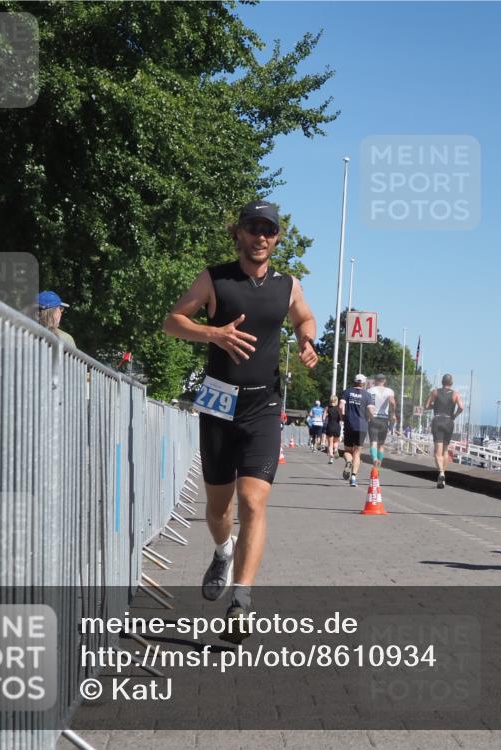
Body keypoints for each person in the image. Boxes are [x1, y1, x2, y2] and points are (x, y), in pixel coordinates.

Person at [162, 199, 318, 642]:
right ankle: (222, 549)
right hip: (217, 402)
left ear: (277, 237)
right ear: (239, 233)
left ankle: (242, 601)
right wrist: (214, 333)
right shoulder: (214, 279)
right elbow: (172, 321)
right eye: (253, 228)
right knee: (219, 509)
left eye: (268, 229)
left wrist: (307, 341)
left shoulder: (288, 285)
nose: (261, 236)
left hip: (263, 407)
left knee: (253, 502)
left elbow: (305, 317)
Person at [425, 374, 464, 488]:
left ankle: (441, 473)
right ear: (451, 383)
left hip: (437, 420)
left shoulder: (435, 392)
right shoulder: (455, 394)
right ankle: (443, 477)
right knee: (445, 451)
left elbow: (426, 406)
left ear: (442, 382)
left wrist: (434, 406)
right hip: (448, 421)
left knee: (438, 452)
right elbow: (461, 407)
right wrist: (454, 416)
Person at [339, 373, 374, 487]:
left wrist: (342, 416)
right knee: (357, 453)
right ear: (364, 383)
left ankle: (348, 461)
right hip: (362, 426)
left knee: (347, 451)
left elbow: (340, 406)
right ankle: (353, 477)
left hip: (349, 424)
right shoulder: (368, 395)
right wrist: (369, 418)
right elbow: (371, 410)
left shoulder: (347, 392)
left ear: (354, 382)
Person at [366, 373, 396, 470]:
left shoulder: (370, 391)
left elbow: (367, 406)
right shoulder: (389, 391)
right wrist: (393, 413)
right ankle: (378, 465)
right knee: (381, 444)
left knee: (373, 443)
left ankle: (374, 459)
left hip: (373, 418)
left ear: (375, 380)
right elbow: (392, 402)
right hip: (384, 419)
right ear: (385, 381)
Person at [323, 395, 342, 464]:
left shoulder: (327, 408)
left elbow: (323, 417)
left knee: (330, 443)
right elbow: (341, 418)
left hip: (330, 426)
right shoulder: (339, 408)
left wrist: (324, 420)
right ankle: (336, 449)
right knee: (336, 441)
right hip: (337, 426)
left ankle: (331, 457)